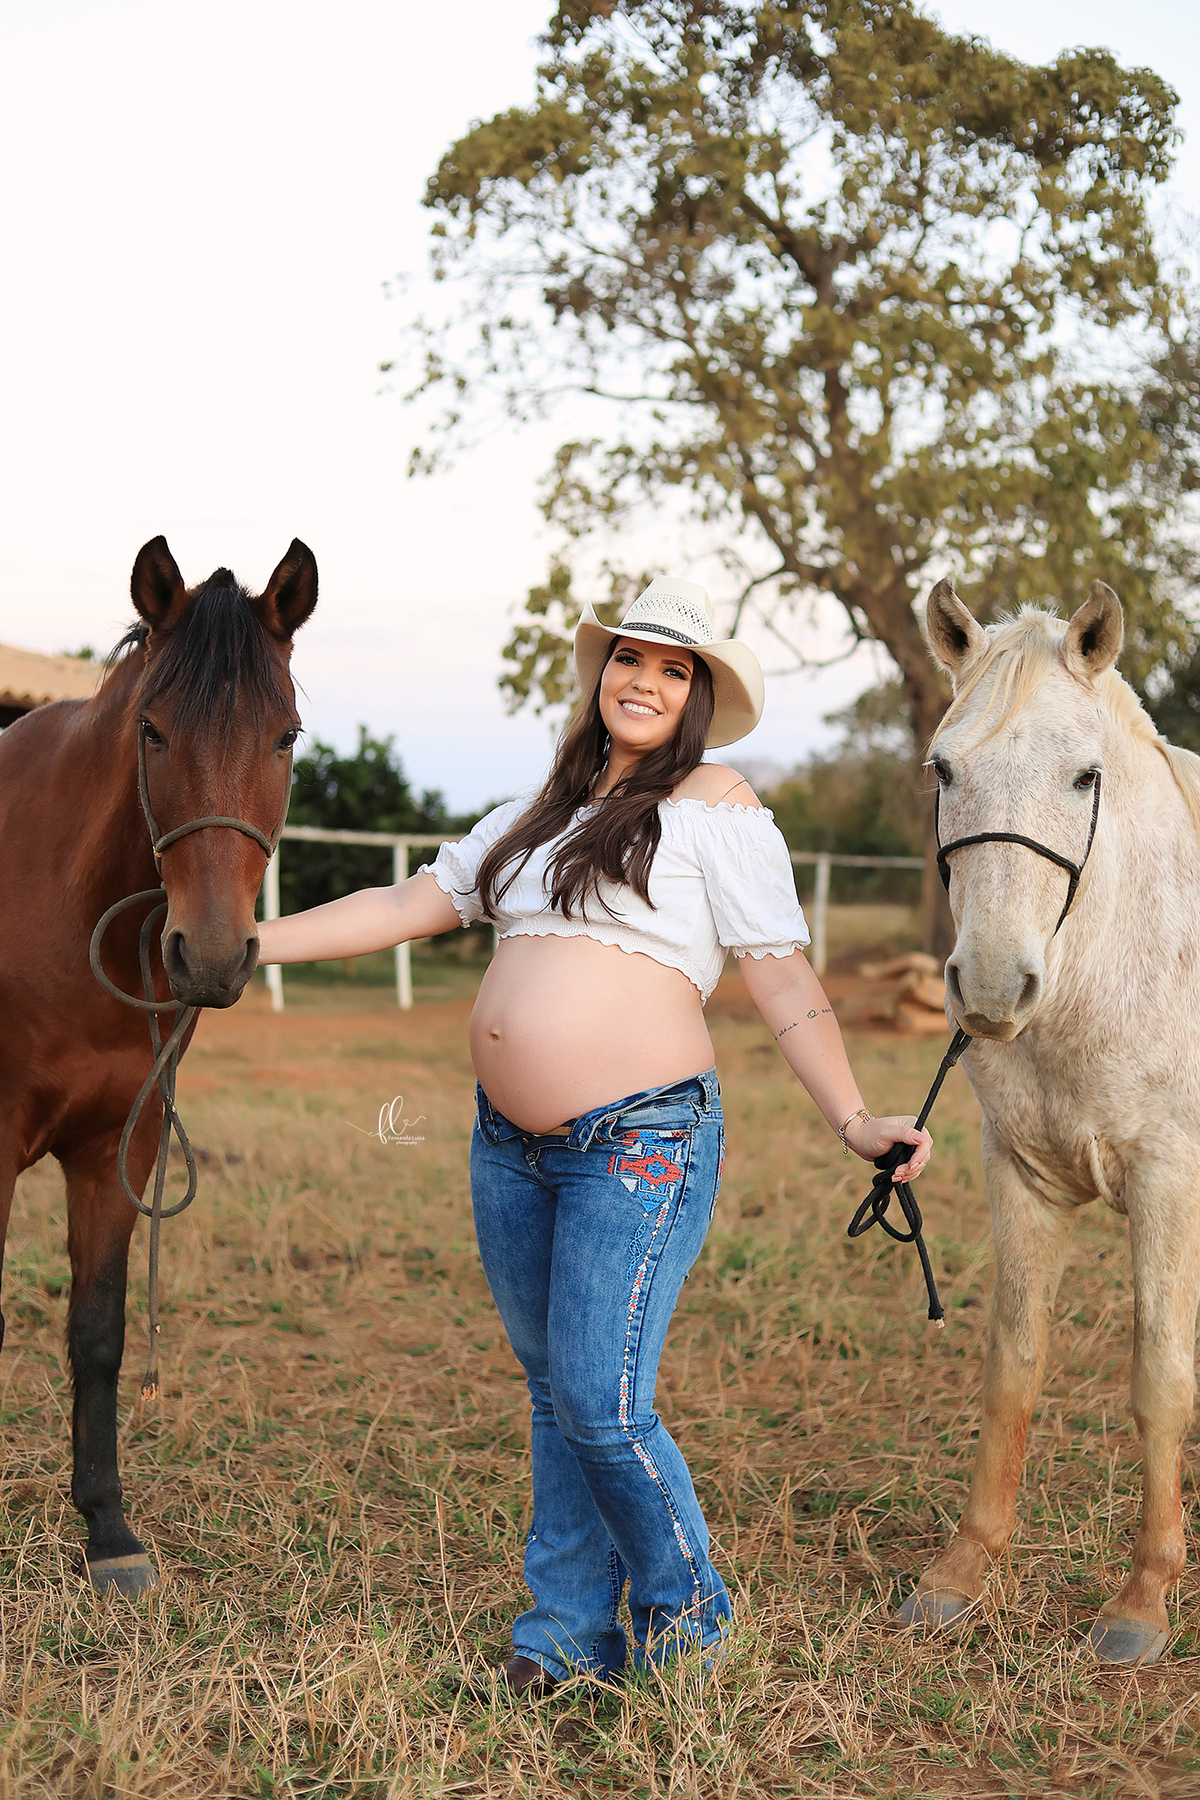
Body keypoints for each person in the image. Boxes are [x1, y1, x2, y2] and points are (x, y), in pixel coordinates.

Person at [256, 576, 932, 1694]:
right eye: (632, 659)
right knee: (555, 1395)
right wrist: (246, 944)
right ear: (601, 671)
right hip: (509, 1146)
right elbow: (405, 905)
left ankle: (691, 1624)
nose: (647, 681)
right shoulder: (536, 811)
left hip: (642, 1140)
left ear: (699, 697)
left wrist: (856, 1118)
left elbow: (782, 981)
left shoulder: (714, 804)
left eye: (676, 670)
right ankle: (566, 1641)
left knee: (605, 1405)